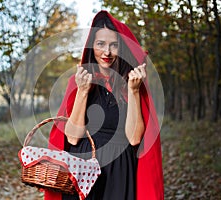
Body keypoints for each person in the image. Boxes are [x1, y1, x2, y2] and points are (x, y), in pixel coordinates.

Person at [45, 10, 164, 200]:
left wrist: (133, 91)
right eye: (100, 44)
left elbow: (134, 139)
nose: (107, 52)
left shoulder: (131, 84)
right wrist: (83, 91)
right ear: (92, 46)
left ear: (121, 48)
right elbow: (73, 138)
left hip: (119, 172)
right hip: (82, 172)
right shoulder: (78, 81)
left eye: (113, 45)